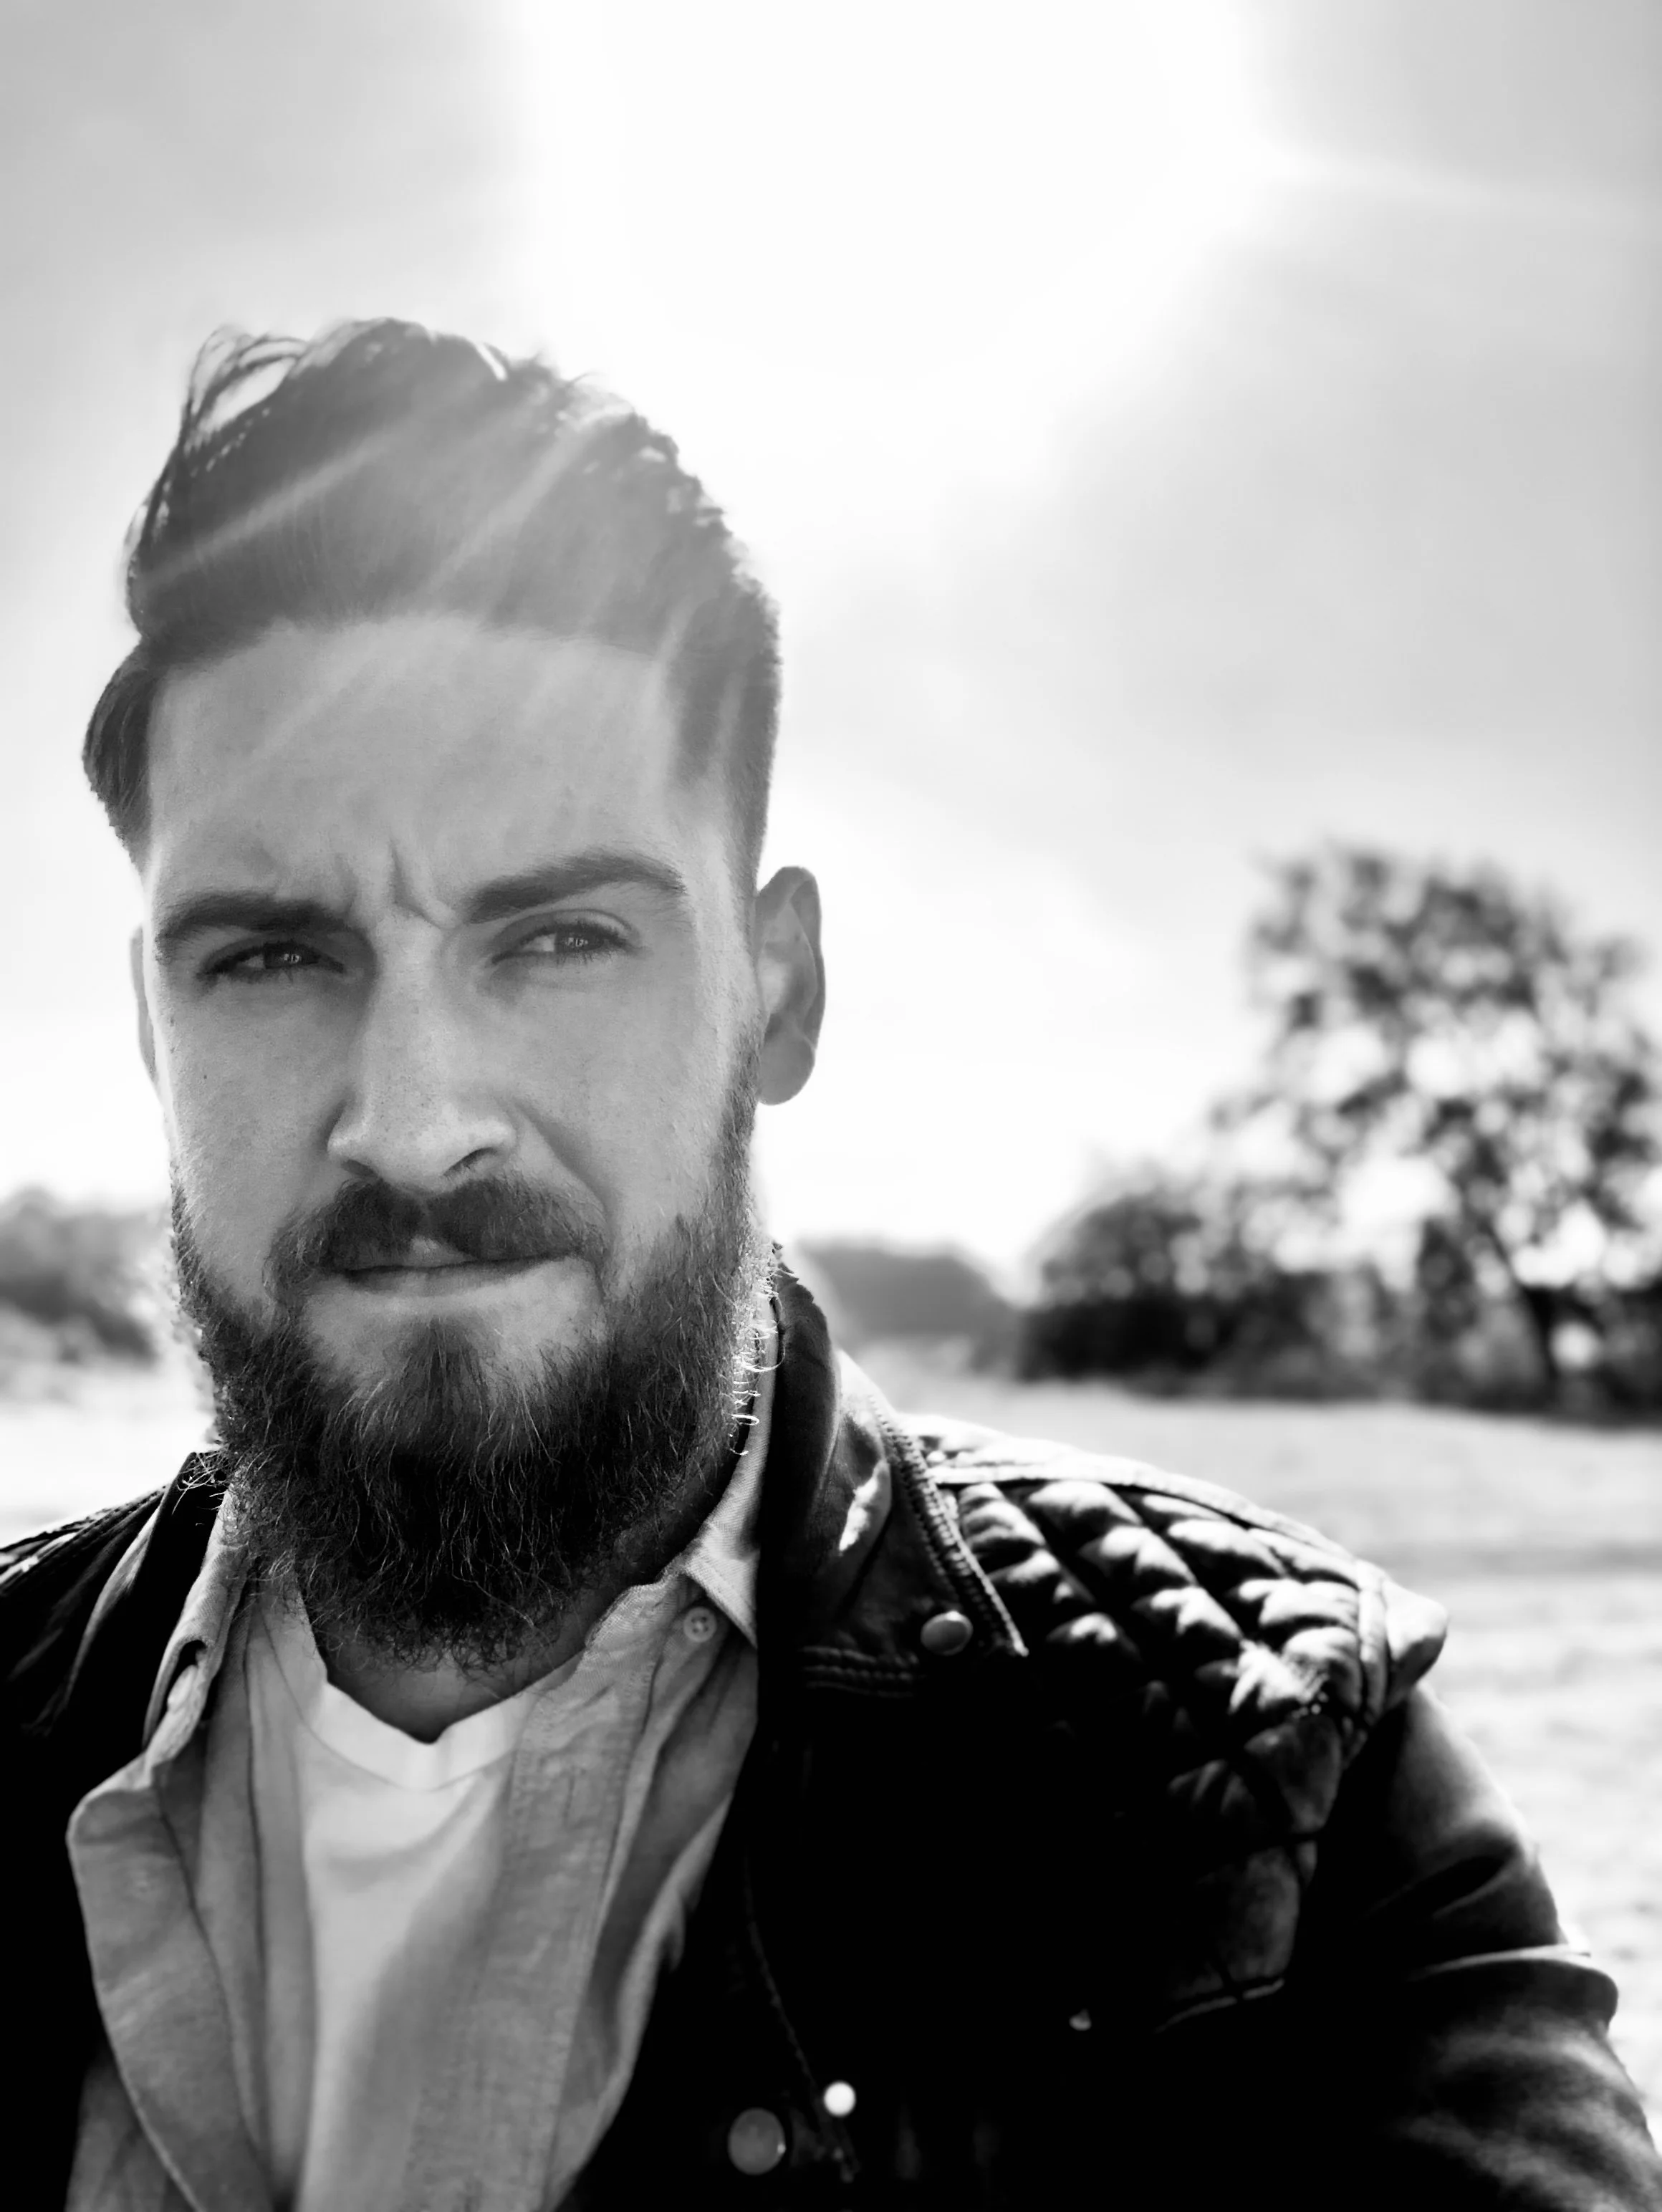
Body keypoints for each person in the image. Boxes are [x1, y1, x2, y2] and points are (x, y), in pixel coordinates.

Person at [4, 319, 1656, 2212]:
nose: (412, 1121)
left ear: (775, 992)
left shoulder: (1259, 1779)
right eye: (272, 958)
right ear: (154, 1028)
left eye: (557, 940)